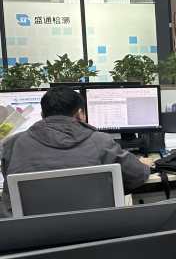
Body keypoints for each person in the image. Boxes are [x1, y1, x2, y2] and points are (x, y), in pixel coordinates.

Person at [0, 86, 153, 218]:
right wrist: (143, 164)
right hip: (91, 230)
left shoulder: (13, 143)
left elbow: (9, 178)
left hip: (26, 233)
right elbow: (136, 176)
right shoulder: (100, 141)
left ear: (42, 115)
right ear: (79, 114)